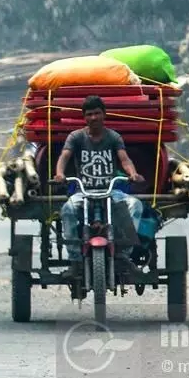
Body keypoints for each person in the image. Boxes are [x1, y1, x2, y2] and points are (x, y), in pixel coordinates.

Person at [53, 95, 147, 280]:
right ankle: (75, 261)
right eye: (89, 114)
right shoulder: (76, 137)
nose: (93, 118)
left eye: (97, 113)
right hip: (83, 192)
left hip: (110, 191)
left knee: (135, 205)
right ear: (84, 117)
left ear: (104, 114)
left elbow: (124, 159)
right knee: (67, 210)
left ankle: (123, 255)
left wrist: (133, 173)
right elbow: (64, 156)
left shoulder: (113, 137)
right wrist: (60, 174)